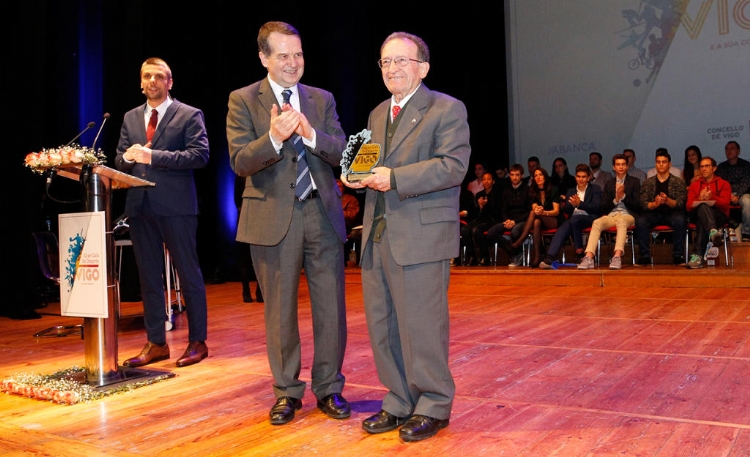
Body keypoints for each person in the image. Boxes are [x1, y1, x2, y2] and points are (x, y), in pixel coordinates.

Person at [342, 31, 470, 442]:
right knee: (383, 325)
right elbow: (368, 163)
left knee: (422, 326)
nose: (392, 69)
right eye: (385, 62)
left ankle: (433, 403)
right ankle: (398, 400)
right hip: (377, 235)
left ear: (423, 68)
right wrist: (354, 175)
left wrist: (393, 178)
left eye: (401, 61)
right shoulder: (378, 113)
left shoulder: (447, 109)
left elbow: (452, 166)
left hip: (421, 236)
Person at [226, 21, 349, 426]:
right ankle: (286, 393)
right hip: (272, 218)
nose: (294, 63)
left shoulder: (322, 98)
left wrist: (312, 134)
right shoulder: (243, 100)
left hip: (321, 214)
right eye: (283, 55)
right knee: (279, 311)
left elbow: (343, 153)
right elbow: (240, 161)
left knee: (330, 308)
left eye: (298, 54)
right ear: (264, 58)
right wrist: (274, 140)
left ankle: (329, 388)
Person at [115, 57, 210, 368]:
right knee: (149, 278)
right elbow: (120, 160)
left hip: (177, 206)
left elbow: (199, 155)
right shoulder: (130, 117)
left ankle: (198, 341)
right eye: (147, 76)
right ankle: (156, 342)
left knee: (188, 273)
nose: (152, 81)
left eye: (159, 76)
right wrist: (127, 159)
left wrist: (151, 156)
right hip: (140, 207)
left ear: (170, 82)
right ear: (140, 82)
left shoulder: (189, 114)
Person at [578, 154, 641, 270]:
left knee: (622, 221)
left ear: (627, 167)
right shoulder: (609, 183)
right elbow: (603, 207)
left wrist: (624, 196)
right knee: (597, 222)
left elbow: (638, 206)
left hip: (628, 215)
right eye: (618, 164)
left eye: (623, 164)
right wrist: (616, 200)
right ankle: (589, 257)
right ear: (613, 167)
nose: (621, 167)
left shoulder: (635, 182)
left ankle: (617, 257)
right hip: (612, 215)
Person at [540, 164, 602, 268]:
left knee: (574, 220)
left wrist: (579, 204)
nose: (580, 179)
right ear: (575, 177)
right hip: (574, 220)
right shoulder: (571, 190)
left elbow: (596, 207)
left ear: (588, 178)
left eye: (583, 177)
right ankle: (550, 257)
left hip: (590, 218)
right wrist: (572, 205)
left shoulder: (595, 189)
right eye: (578, 176)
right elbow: (567, 210)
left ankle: (579, 251)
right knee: (563, 227)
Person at [635, 148, 687, 266]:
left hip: (672, 212)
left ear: (669, 164)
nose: (661, 164)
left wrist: (667, 201)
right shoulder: (648, 183)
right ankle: (645, 256)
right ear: (655, 164)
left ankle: (678, 255)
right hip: (654, 213)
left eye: (664, 162)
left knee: (680, 220)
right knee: (641, 221)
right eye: (658, 162)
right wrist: (655, 203)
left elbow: (680, 203)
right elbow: (643, 204)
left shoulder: (678, 182)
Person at [510, 167, 561, 268]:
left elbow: (556, 211)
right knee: (536, 221)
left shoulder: (553, 189)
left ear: (545, 176)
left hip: (553, 219)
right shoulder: (533, 190)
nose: (538, 177)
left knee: (534, 214)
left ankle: (520, 240)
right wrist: (537, 209)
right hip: (540, 220)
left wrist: (542, 212)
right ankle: (537, 256)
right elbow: (533, 205)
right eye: (536, 176)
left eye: (540, 175)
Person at [686, 157, 732, 268]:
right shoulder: (695, 185)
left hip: (719, 215)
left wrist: (712, 197)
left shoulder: (724, 184)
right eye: (701, 166)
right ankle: (712, 231)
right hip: (698, 214)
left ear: (714, 168)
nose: (704, 169)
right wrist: (700, 199)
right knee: (702, 207)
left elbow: (725, 204)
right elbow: (688, 206)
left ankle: (698, 257)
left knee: (702, 220)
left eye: (707, 166)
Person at [486, 164, 530, 267]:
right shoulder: (506, 191)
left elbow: (528, 212)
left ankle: (516, 255)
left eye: (517, 175)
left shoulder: (528, 190)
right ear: (509, 176)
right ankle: (514, 252)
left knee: (515, 232)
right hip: (508, 220)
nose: (514, 177)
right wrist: (506, 220)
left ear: (522, 176)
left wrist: (515, 221)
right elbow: (503, 209)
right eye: (512, 175)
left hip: (522, 220)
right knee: (491, 233)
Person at [460, 172, 501, 266]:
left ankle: (485, 256)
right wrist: (480, 206)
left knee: (476, 230)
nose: (486, 181)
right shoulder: (479, 194)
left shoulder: (497, 194)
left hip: (492, 220)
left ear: (493, 181)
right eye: (484, 179)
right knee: (465, 230)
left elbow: (497, 211)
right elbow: (474, 213)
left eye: (489, 179)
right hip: (480, 219)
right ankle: (472, 255)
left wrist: (487, 205)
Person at [235, 176, 263, 303]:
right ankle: (249, 291)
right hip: (248, 215)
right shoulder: (242, 172)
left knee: (257, 257)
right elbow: (237, 197)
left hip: (255, 215)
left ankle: (256, 291)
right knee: (246, 256)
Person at [716, 141, 750, 242]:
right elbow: (720, 183)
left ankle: (747, 233)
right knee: (715, 201)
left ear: (738, 151)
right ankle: (720, 233)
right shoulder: (721, 167)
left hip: (743, 194)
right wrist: (728, 195)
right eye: (727, 149)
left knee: (748, 202)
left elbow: (746, 182)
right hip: (727, 194)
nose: (729, 151)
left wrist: (737, 196)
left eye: (732, 148)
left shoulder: (746, 165)